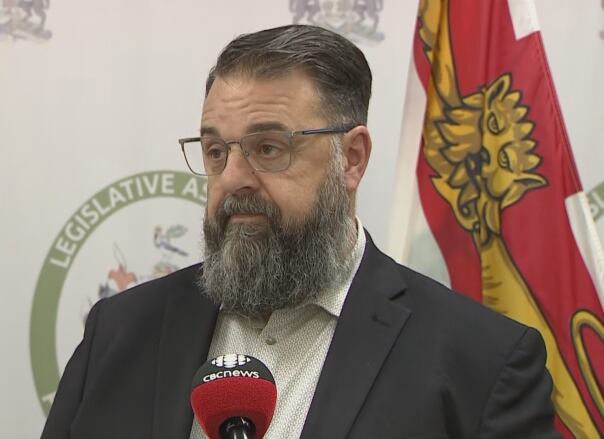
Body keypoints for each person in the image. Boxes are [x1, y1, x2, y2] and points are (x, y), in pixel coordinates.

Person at [40, 25, 560, 439]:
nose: (234, 179)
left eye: (269, 148)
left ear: (351, 158)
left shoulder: (481, 361)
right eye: (217, 152)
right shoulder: (120, 331)